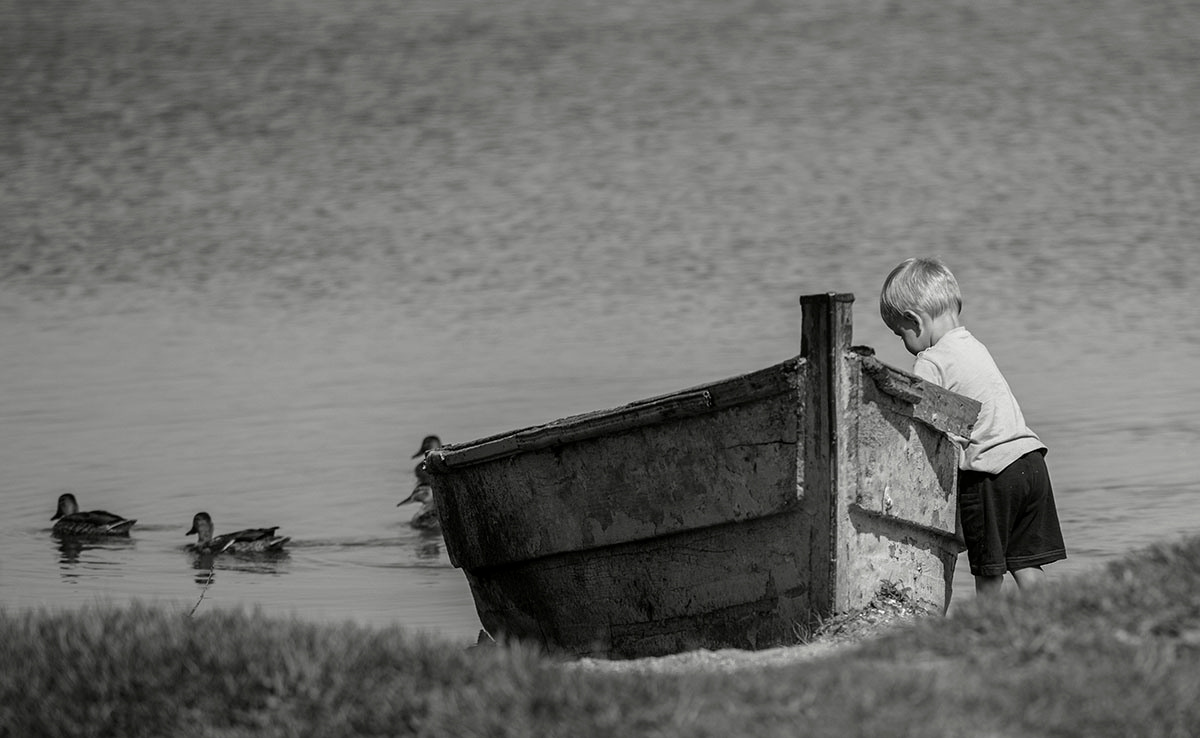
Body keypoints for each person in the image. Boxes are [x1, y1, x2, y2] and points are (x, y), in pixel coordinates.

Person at [879, 257, 1066, 597]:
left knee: (989, 572)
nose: (902, 343)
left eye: (899, 333)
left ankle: (984, 633)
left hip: (991, 473)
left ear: (914, 321)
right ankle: (1049, 622)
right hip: (1031, 461)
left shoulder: (931, 361)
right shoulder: (974, 346)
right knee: (1026, 563)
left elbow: (927, 425)